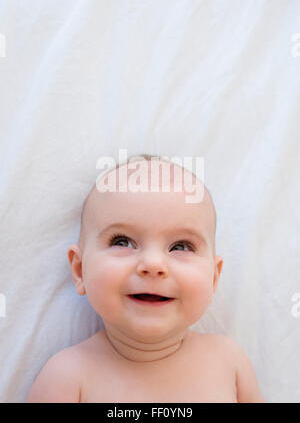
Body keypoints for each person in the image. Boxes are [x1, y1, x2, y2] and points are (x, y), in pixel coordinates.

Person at [26, 153, 264, 403]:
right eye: (122, 241)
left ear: (213, 279)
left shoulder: (229, 362)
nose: (153, 264)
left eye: (181, 246)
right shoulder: (67, 377)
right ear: (79, 270)